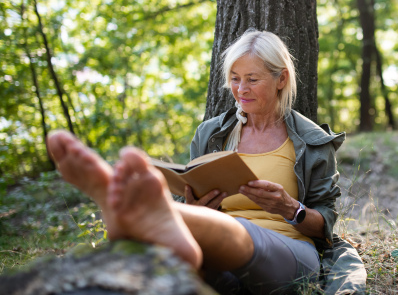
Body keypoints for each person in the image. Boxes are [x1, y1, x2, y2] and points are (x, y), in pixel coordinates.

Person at [47, 30, 344, 295]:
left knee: (238, 230)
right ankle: (166, 228)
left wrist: (290, 209)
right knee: (150, 280)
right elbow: (188, 185)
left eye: (252, 79)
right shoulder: (211, 133)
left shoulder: (312, 141)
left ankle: (145, 214)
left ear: (281, 79)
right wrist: (193, 207)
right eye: (235, 79)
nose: (241, 90)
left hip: (288, 257)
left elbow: (325, 225)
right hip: (216, 258)